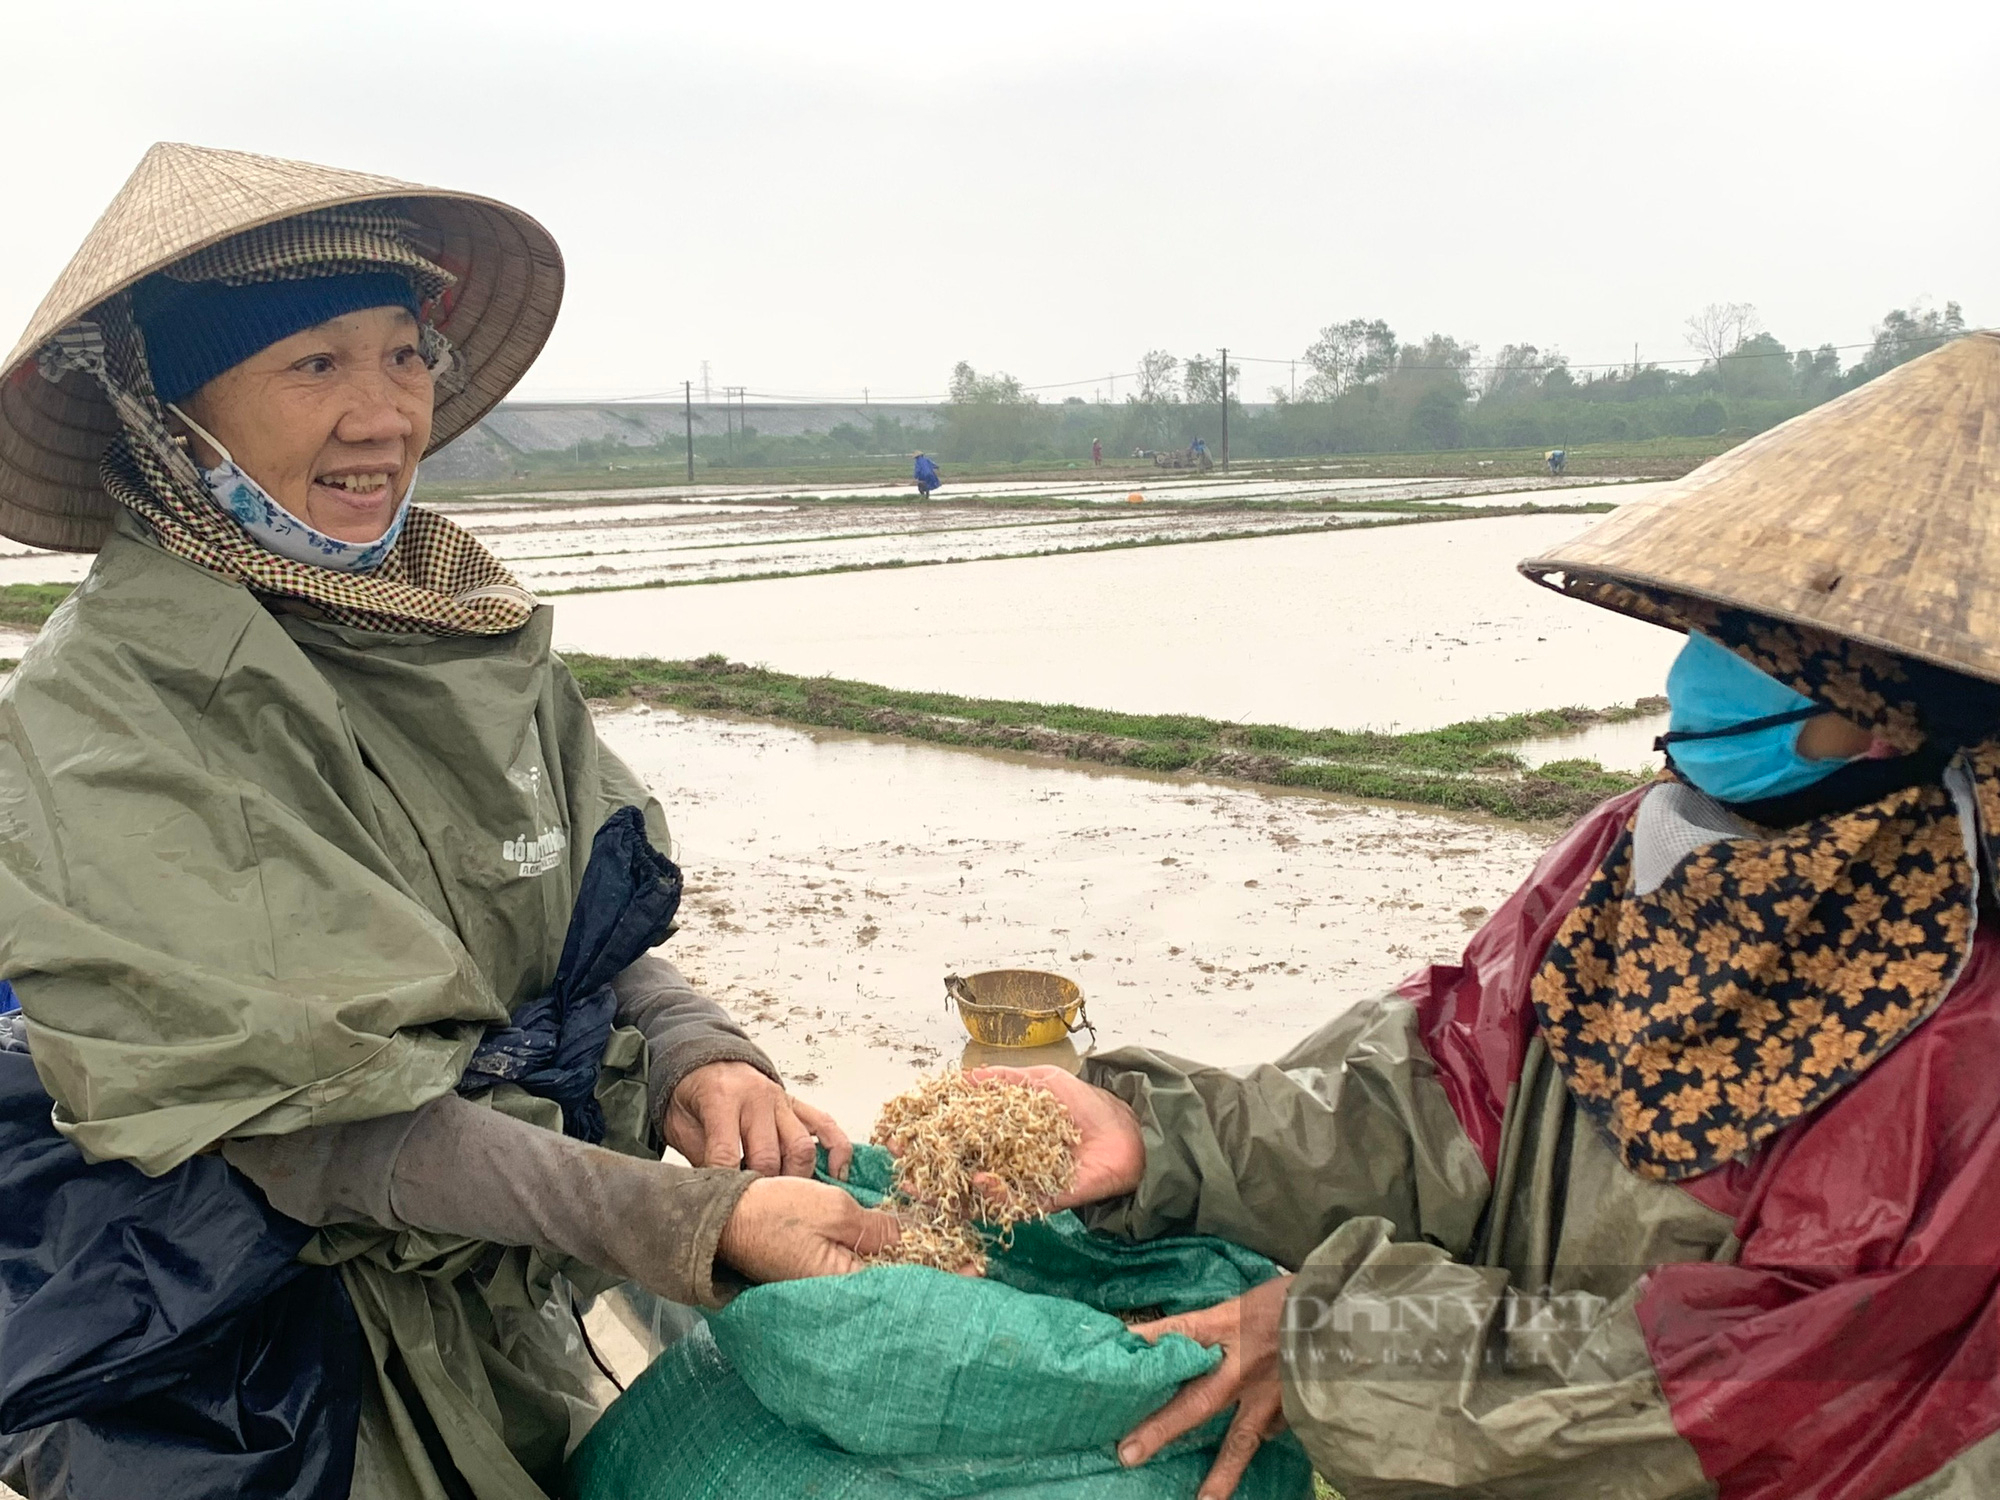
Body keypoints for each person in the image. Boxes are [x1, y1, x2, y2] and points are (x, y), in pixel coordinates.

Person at [0, 143, 894, 1499]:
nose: (383, 417)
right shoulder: (117, 708)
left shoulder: (454, 621)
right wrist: (693, 1219)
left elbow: (559, 924)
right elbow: (306, 1123)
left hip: (496, 1287)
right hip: (274, 1357)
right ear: (169, 411)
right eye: (314, 366)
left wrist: (697, 1055)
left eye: (404, 355)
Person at [994, 331, 2000, 1500]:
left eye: (1759, 651)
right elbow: (1443, 1092)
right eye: (1709, 629)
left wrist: (1337, 1343)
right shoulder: (1639, 851)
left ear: (1897, 710)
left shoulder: (1962, 1017)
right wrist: (1168, 1143)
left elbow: (1774, 1384)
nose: (1701, 670)